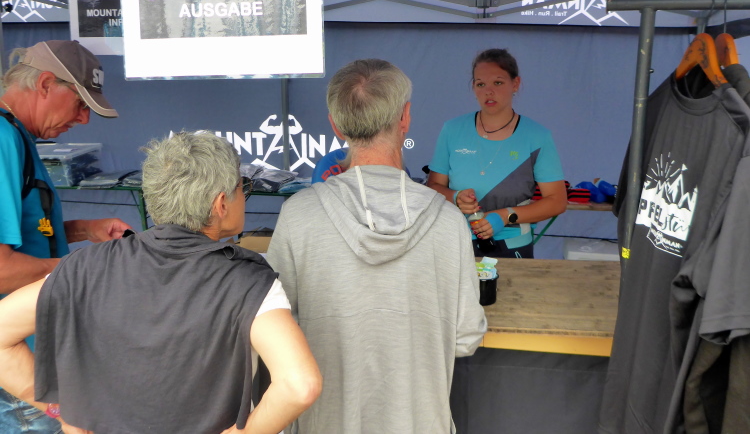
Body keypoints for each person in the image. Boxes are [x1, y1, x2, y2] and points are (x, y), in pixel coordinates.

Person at [0, 131, 322, 433]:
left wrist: (64, 410)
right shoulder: (248, 281)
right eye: (243, 188)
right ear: (221, 204)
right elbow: (299, 385)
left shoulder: (82, 268)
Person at [267, 59, 487, 434]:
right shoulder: (448, 221)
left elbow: (274, 335)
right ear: (405, 118)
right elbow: (467, 337)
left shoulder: (298, 215)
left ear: (335, 125)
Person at [0, 40, 133, 432]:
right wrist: (81, 269)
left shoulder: (17, 136)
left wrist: (84, 230)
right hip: (20, 370)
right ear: (45, 84)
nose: (84, 119)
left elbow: (26, 235)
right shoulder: (2, 139)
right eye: (79, 103)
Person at [427, 48, 567, 258]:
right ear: (473, 87)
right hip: (456, 242)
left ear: (515, 84)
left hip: (513, 245)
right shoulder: (452, 130)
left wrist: (505, 216)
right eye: (480, 84)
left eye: (498, 83)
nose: (489, 91)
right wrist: (455, 197)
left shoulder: (537, 136)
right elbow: (433, 187)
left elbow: (557, 201)